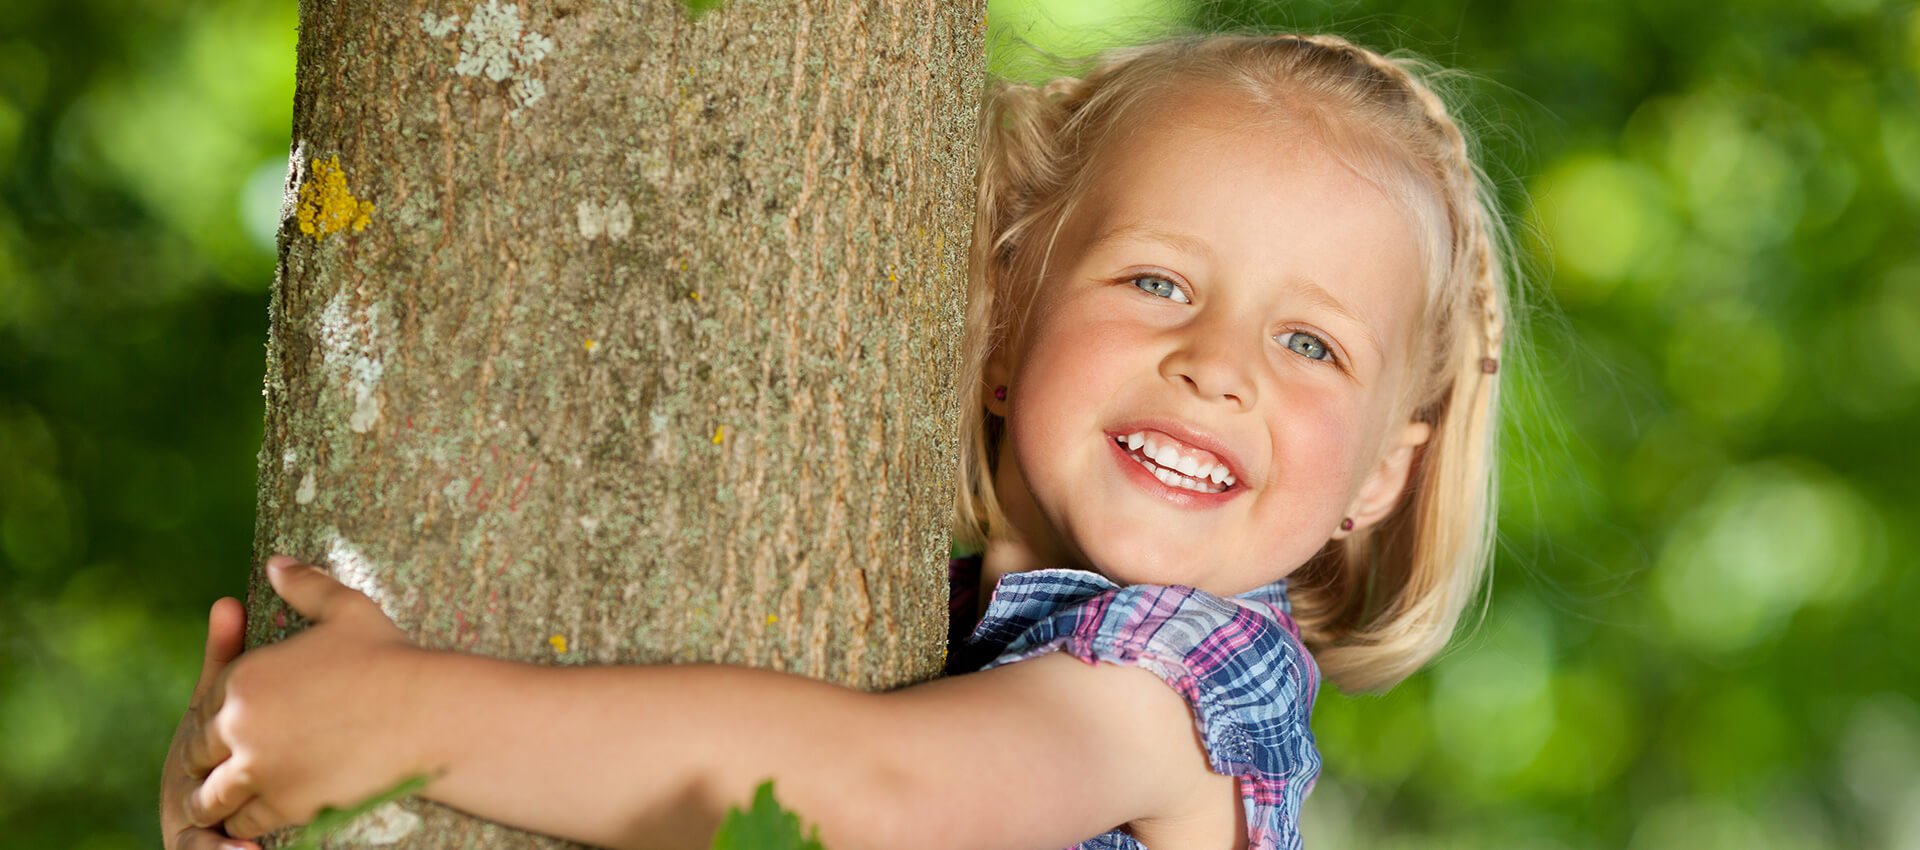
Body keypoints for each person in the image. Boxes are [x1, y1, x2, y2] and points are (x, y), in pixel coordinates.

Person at [161, 32, 1515, 850]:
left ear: (1381, 474)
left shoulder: (1189, 683)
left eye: (1311, 345)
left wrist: (407, 723)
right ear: (1001, 324)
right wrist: (257, 787)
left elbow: (877, 800)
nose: (1215, 364)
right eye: (1156, 281)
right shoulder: (921, 619)